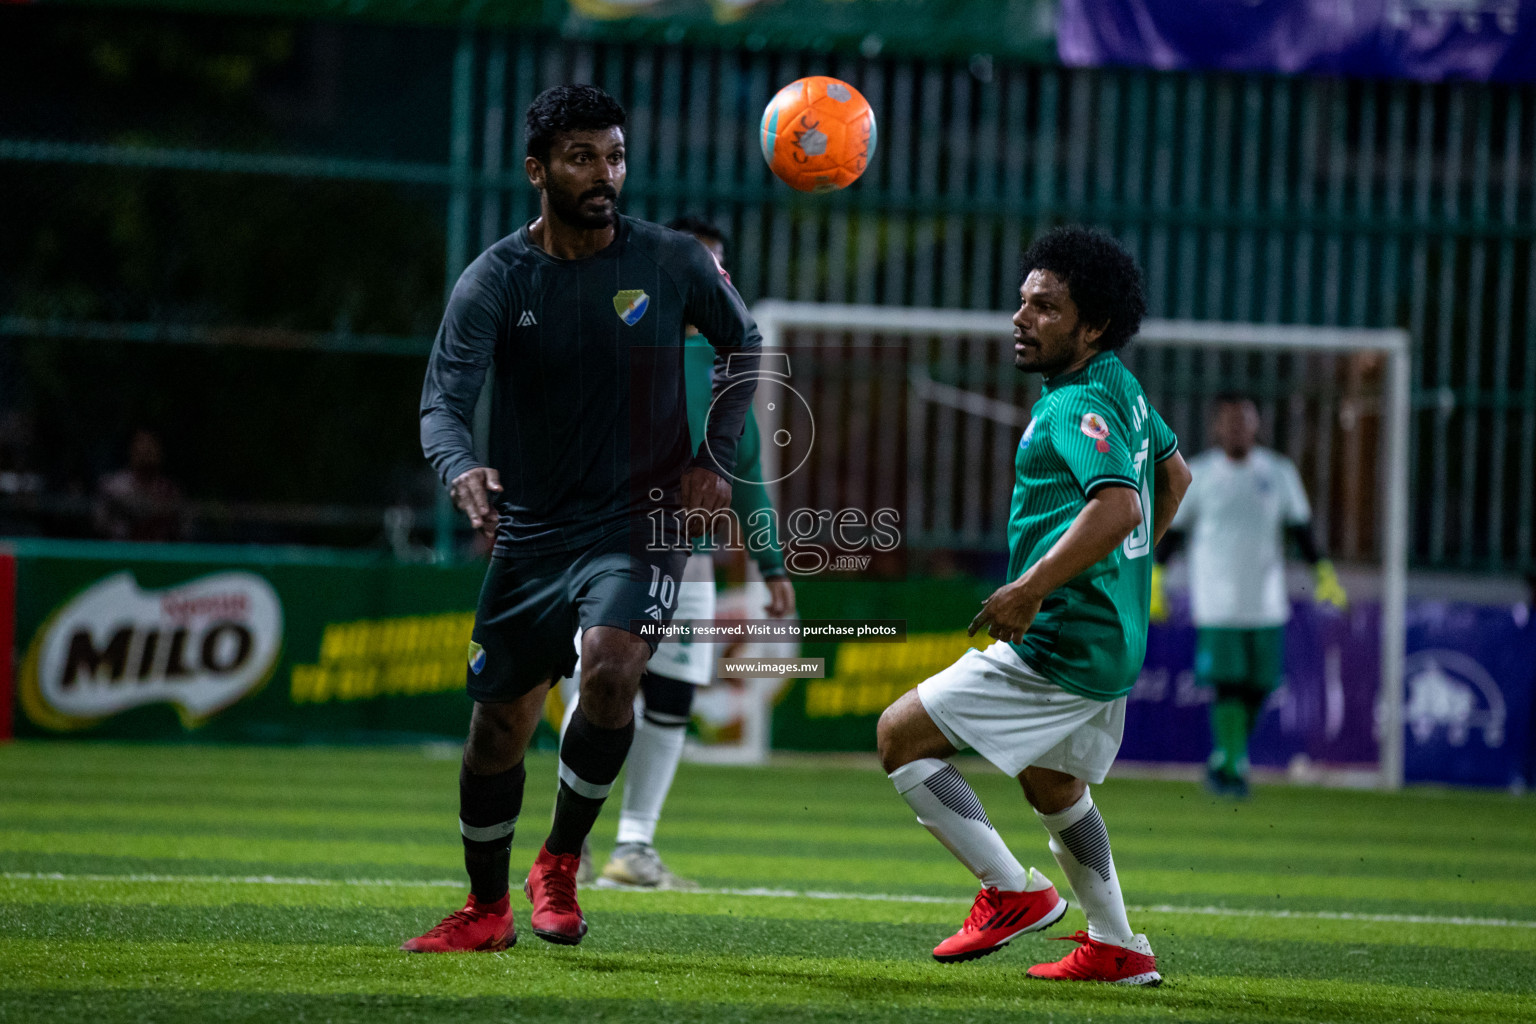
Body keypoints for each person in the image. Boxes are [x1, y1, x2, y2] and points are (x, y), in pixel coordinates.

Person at [405, 85, 761, 953]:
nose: (605, 174)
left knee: (610, 668)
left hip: (640, 522)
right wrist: (460, 470)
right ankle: (486, 909)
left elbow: (745, 345)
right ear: (537, 170)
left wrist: (715, 457)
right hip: (532, 531)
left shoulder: (673, 260)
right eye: (581, 158)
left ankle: (560, 860)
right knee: (498, 726)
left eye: (615, 156)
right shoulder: (495, 278)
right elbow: (442, 404)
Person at [876, 226, 1190, 985]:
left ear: (1093, 327)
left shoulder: (1073, 406)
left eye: (1046, 308)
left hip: (1062, 640)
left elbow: (1117, 507)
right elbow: (1174, 480)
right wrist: (1126, 576)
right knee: (1054, 787)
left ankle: (1011, 892)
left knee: (901, 737)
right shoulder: (1122, 386)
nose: (1021, 318)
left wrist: (1032, 587)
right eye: (1022, 302)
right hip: (1111, 637)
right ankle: (1118, 945)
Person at [560, 216, 795, 890]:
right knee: (600, 684)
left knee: (671, 696)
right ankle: (566, 847)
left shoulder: (729, 378)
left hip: (687, 561)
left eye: (719, 266)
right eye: (700, 264)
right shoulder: (624, 349)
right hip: (608, 548)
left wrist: (773, 564)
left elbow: (745, 475)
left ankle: (634, 845)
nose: (711, 277)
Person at [1151, 393, 1347, 798]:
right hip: (1217, 602)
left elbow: (1301, 530)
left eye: (1244, 420)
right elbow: (1176, 534)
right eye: (1229, 420)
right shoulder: (1199, 474)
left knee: (1259, 686)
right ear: (1216, 427)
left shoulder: (1278, 473)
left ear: (1256, 425)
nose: (1237, 427)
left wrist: (1323, 573)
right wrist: (1156, 579)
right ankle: (1232, 762)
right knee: (1228, 684)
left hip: (1266, 602)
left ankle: (1227, 757)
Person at [94, 427, 185, 541]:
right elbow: (100, 524)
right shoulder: (112, 486)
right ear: (131, 450)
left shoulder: (170, 490)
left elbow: (181, 528)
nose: (146, 450)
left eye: (151, 444)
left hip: (159, 553)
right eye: (141, 444)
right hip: (120, 551)